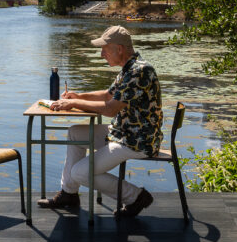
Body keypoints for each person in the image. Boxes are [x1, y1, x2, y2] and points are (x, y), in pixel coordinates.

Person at [40, 25, 164, 218]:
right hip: (124, 132)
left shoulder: (139, 71)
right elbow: (107, 95)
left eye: (105, 49)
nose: (101, 54)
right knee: (75, 132)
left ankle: (136, 196)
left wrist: (72, 102)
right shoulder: (129, 68)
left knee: (80, 173)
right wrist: (78, 95)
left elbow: (109, 109)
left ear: (119, 49)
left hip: (137, 141)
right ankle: (69, 194)